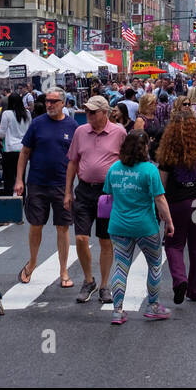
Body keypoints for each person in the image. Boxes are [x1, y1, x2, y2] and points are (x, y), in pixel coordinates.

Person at [104, 130, 175, 324]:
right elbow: (159, 198)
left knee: (120, 266)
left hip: (118, 225)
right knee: (154, 264)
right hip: (145, 226)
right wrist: (169, 222)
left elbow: (108, 193)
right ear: (144, 148)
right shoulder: (149, 170)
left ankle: (117, 310)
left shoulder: (114, 168)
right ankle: (153, 306)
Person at [63, 95, 125, 304]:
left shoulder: (119, 132)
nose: (87, 115)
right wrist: (68, 191)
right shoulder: (81, 131)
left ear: (104, 113)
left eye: (92, 112)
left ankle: (105, 285)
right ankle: (89, 280)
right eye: (87, 111)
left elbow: (126, 162)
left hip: (108, 194)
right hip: (84, 191)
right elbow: (73, 162)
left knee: (105, 240)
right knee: (81, 238)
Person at [15, 87, 78, 290]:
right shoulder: (37, 123)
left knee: (63, 228)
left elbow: (77, 158)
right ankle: (32, 262)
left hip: (62, 184)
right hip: (37, 183)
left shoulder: (72, 126)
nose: (49, 104)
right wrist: (19, 180)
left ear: (62, 103)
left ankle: (63, 270)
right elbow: (24, 152)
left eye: (53, 101)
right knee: (36, 225)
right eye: (47, 101)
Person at [157, 106, 196, 303]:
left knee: (174, 245)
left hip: (176, 203)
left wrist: (159, 207)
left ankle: (179, 279)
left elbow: (162, 182)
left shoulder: (168, 151)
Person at [0, 92, 30, 197]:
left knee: (9, 179)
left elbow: (1, 134)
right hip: (23, 150)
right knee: (21, 177)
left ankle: (9, 201)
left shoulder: (7, 114)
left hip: (9, 150)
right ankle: (22, 200)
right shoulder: (27, 113)